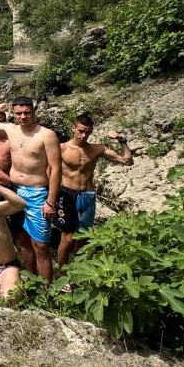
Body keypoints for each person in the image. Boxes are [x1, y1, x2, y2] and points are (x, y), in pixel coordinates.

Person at [0, 96, 61, 283]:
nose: (23, 117)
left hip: (38, 192)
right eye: (19, 113)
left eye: (27, 113)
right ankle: (31, 281)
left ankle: (47, 289)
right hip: (15, 190)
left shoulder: (46, 135)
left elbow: (56, 169)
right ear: (13, 114)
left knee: (40, 245)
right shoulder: (9, 128)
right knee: (22, 238)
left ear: (34, 112)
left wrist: (50, 201)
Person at [56, 114, 132, 270]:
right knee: (68, 238)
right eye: (81, 131)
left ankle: (78, 271)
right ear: (73, 128)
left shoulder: (97, 149)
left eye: (88, 132)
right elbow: (47, 170)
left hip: (88, 195)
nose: (84, 135)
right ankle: (62, 275)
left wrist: (121, 140)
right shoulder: (61, 148)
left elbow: (127, 161)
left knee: (83, 237)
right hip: (66, 194)